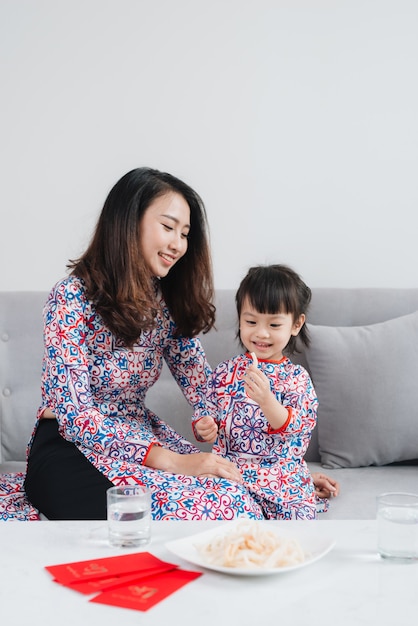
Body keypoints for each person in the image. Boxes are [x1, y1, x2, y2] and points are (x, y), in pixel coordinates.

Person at [24, 168, 337, 521]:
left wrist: (281, 479)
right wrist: (175, 462)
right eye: (168, 227)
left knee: (234, 499)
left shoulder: (164, 305)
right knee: (184, 510)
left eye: (185, 234)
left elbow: (202, 384)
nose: (178, 244)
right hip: (70, 448)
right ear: (128, 222)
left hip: (138, 437)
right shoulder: (71, 298)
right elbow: (76, 416)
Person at [192, 264, 337, 519]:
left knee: (297, 521)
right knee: (208, 508)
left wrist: (267, 401)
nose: (261, 333)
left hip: (281, 480)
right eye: (251, 321)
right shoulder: (225, 373)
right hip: (231, 475)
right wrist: (203, 426)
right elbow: (206, 411)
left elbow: (298, 426)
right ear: (240, 319)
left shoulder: (297, 379)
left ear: (295, 324)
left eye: (274, 324)